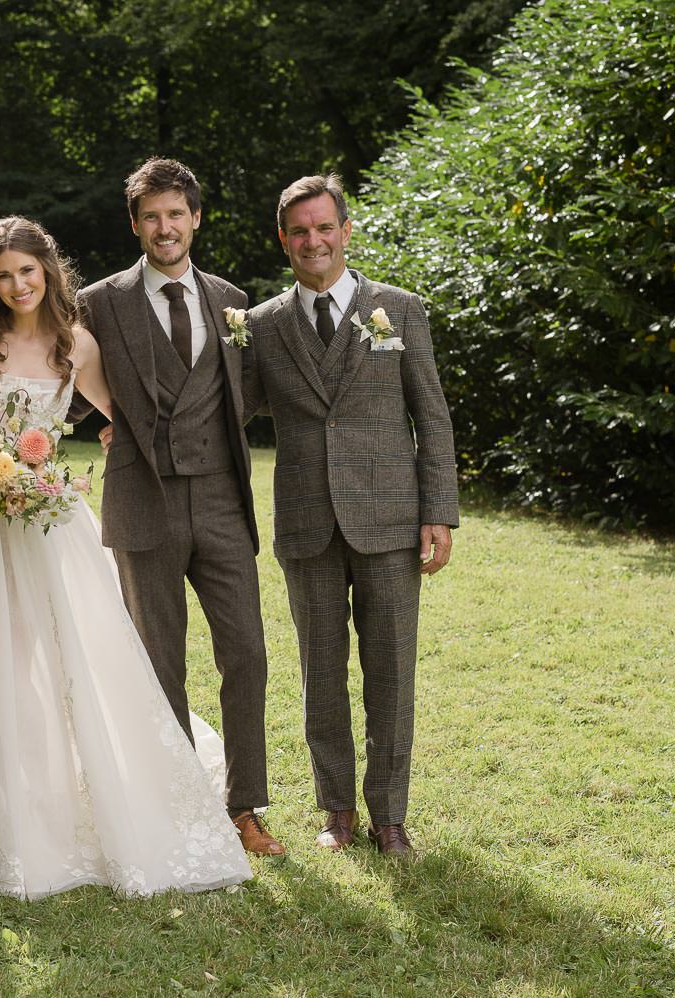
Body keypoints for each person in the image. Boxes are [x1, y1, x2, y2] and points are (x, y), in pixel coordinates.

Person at [0, 216, 252, 899]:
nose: (18, 285)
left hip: (42, 518)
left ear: (48, 272)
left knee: (56, 657)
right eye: (4, 276)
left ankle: (43, 785)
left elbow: (123, 411)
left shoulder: (76, 344)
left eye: (27, 272)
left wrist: (122, 432)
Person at [243, 174, 458, 857]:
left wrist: (439, 512)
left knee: (391, 671)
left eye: (324, 227)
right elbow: (229, 412)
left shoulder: (399, 309)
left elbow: (432, 416)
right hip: (306, 521)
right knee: (320, 672)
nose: (314, 240)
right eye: (299, 231)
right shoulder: (264, 324)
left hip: (392, 519)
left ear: (345, 229)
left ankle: (389, 816)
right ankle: (335, 811)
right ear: (284, 241)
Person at [75, 158, 284, 857]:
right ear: (136, 225)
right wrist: (111, 418)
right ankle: (174, 805)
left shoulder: (232, 299)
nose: (165, 227)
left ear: (195, 218)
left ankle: (244, 808)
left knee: (247, 654)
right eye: (152, 216)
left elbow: (242, 392)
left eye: (177, 213)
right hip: (142, 499)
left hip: (223, 498)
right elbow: (64, 382)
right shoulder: (99, 302)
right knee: (159, 662)